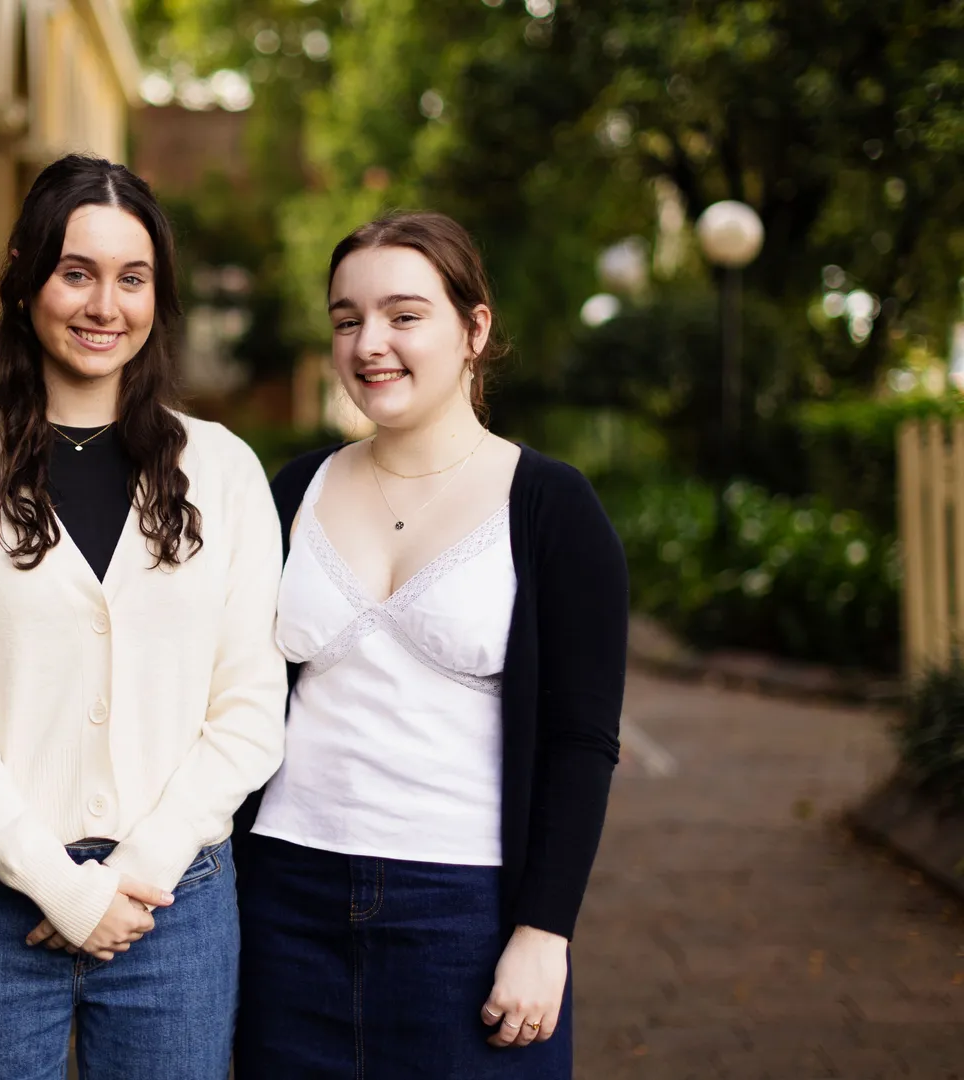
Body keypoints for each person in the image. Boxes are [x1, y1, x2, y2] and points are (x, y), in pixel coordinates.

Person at [0, 153, 287, 1080]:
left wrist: (135, 870)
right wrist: (64, 889)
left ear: (158, 297)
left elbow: (252, 706)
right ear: (25, 278)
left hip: (173, 901)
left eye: (132, 278)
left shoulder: (221, 472)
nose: (106, 305)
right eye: (77, 272)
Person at [234, 211, 628, 1078]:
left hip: (465, 914)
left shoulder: (553, 506)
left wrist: (544, 932)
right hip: (281, 899)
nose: (370, 342)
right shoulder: (294, 489)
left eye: (404, 315)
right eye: (347, 319)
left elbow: (581, 741)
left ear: (474, 328)